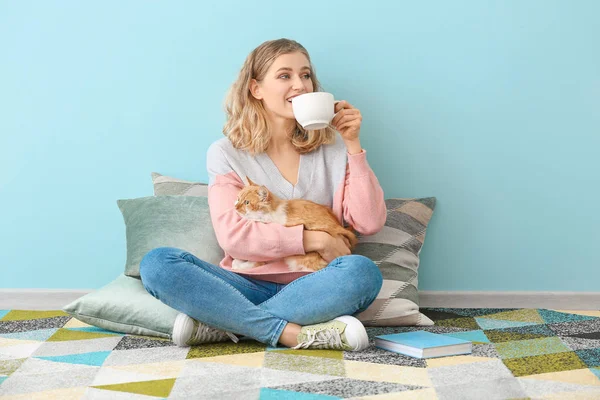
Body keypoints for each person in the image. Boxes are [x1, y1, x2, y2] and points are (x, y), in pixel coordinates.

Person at [140, 38, 387, 351]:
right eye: (284, 76)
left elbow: (369, 222)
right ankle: (290, 332)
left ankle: (225, 324)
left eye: (306, 75)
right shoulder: (226, 154)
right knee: (158, 264)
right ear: (256, 88)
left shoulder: (334, 149)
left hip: (314, 285)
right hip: (241, 284)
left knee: (362, 273)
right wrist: (316, 240)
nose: (300, 85)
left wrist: (353, 145)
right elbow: (234, 237)